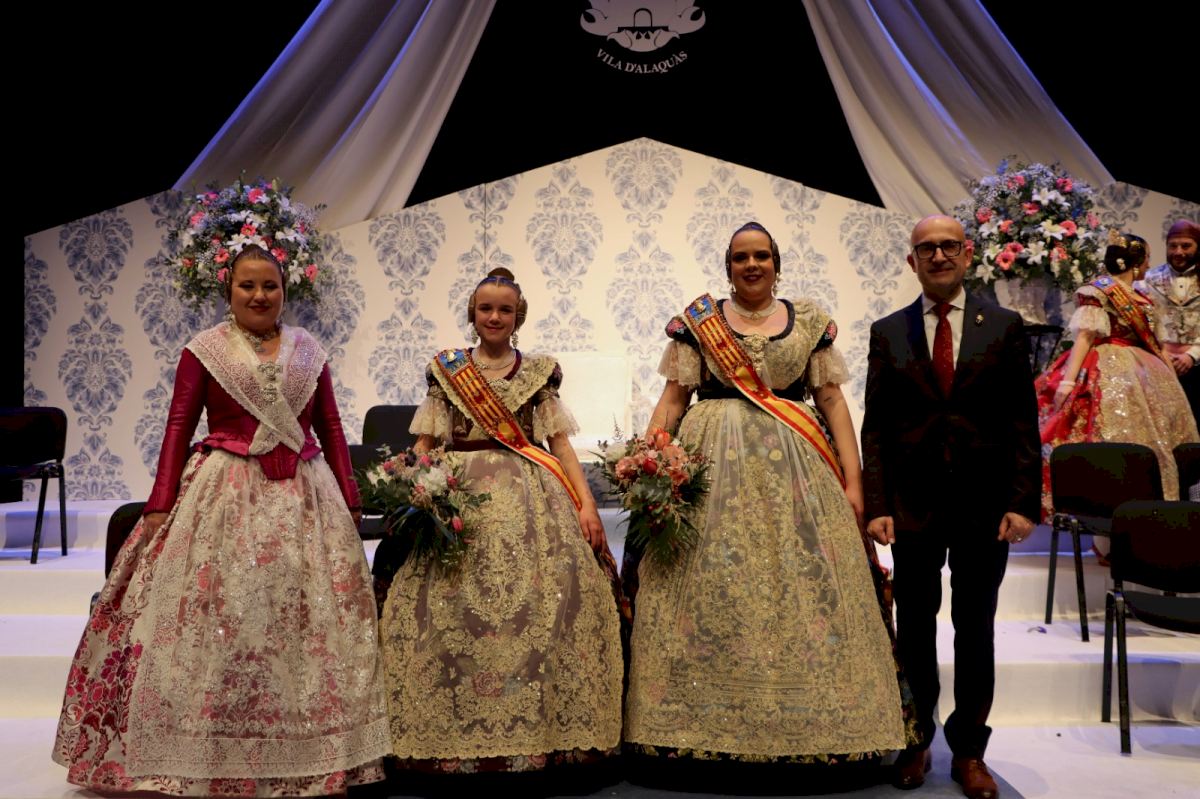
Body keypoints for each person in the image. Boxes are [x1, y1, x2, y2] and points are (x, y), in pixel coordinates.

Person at [52, 245, 389, 795]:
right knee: (222, 617)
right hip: (224, 493)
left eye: (270, 286)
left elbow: (330, 426)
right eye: (247, 286)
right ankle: (204, 751)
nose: (259, 296)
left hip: (307, 498)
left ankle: (313, 751)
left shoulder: (309, 350)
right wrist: (160, 502)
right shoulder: (204, 350)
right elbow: (178, 426)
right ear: (228, 290)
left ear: (285, 291)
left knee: (307, 624)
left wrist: (351, 501)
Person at [624, 222, 911, 768]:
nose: (751, 265)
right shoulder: (699, 324)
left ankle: (818, 726)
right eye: (740, 257)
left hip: (799, 476)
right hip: (710, 471)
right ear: (728, 266)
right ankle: (693, 725)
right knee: (712, 586)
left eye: (761, 256)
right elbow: (673, 399)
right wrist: (649, 462)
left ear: (777, 264)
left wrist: (854, 484)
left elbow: (832, 403)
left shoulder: (809, 322)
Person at [379, 267, 624, 775]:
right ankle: (452, 729)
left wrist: (586, 505)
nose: (495, 317)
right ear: (473, 314)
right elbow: (426, 444)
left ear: (518, 317)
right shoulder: (448, 372)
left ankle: (540, 728)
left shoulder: (538, 374)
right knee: (452, 607)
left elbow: (560, 446)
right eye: (486, 308)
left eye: (505, 310)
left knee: (539, 604)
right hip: (460, 499)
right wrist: (410, 491)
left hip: (531, 494)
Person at [862, 215, 1041, 799]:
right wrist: (877, 503)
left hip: (984, 508)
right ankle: (916, 740)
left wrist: (1023, 502)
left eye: (948, 246)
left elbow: (1023, 421)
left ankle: (969, 752)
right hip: (912, 507)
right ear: (911, 261)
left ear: (966, 255)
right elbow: (876, 428)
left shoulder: (1005, 327)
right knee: (914, 628)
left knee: (975, 629)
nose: (937, 256)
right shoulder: (888, 331)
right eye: (926, 248)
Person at [1037, 231, 1199, 514]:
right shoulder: (1098, 291)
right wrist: (1067, 381)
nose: (1149, 265)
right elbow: (1085, 337)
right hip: (1105, 365)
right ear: (1135, 263)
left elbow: (1155, 342)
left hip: (1145, 371)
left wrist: (1170, 376)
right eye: (1147, 259)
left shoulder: (1142, 297)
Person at [1137, 219, 1200, 426]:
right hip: (1159, 363)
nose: (1178, 252)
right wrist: (1160, 353)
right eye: (1173, 246)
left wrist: (1192, 355)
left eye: (1186, 246)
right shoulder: (1148, 280)